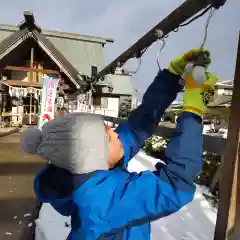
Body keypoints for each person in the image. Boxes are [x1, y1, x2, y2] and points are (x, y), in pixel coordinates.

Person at [20, 48, 218, 240]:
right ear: (96, 157)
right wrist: (192, 112)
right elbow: (176, 183)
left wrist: (171, 77)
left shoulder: (86, 173)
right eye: (107, 136)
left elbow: (137, 126)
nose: (114, 132)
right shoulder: (104, 201)